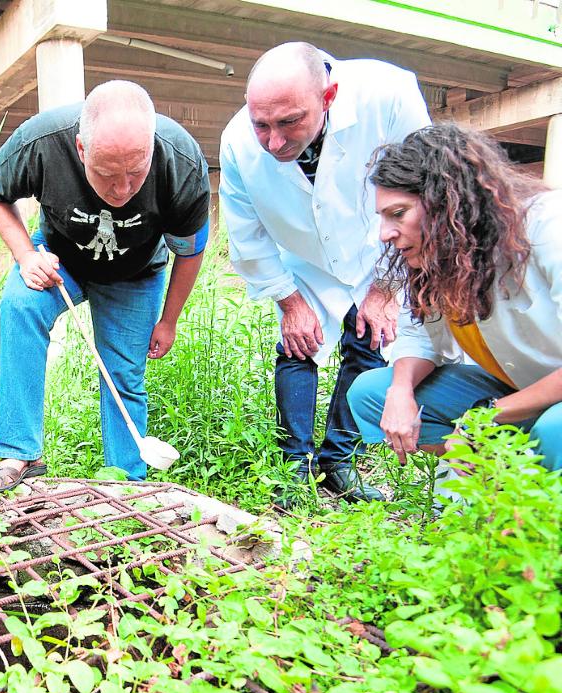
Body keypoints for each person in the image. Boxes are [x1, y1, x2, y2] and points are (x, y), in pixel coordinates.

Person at [219, 42, 430, 504]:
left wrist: (387, 285)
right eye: (261, 125)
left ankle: (340, 461)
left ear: (328, 96)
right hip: (304, 252)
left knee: (371, 338)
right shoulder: (237, 142)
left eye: (289, 123)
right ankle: (294, 465)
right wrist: (289, 301)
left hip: (376, 246)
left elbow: (424, 194)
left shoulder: (389, 95)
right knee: (298, 344)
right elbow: (246, 233)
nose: (273, 142)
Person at [0, 80, 210, 492]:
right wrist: (26, 256)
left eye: (135, 173)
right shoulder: (43, 141)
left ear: (150, 148)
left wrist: (169, 320)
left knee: (124, 372)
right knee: (20, 306)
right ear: (82, 149)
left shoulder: (181, 161)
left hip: (136, 273)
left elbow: (190, 250)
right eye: (106, 175)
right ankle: (19, 452)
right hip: (59, 259)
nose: (122, 190)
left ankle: (125, 480)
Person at [347, 123, 562, 474]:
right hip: (518, 390)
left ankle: (529, 490)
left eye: (398, 214)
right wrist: (400, 391)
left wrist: (487, 415)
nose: (385, 234)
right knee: (372, 393)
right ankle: (493, 473)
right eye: (382, 218)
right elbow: (421, 337)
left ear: (448, 202)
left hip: (548, 404)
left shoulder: (548, 225)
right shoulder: (442, 256)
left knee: (554, 430)